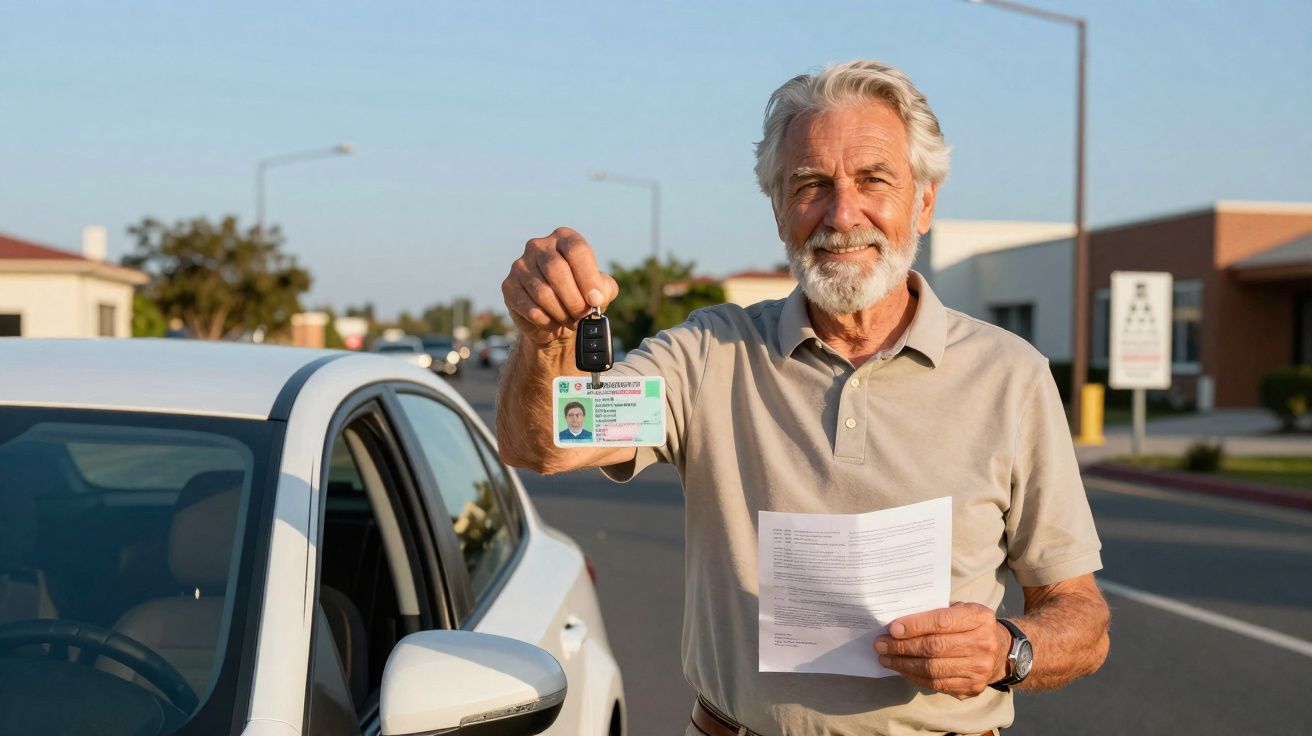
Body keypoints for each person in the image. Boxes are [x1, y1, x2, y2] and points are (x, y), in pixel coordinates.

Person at [497, 60, 1109, 736]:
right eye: (811, 185)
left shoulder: (1009, 376)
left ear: (925, 202)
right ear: (779, 209)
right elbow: (549, 443)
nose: (842, 214)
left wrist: (1007, 650)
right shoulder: (711, 357)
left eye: (874, 180)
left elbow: (1080, 615)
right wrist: (544, 339)